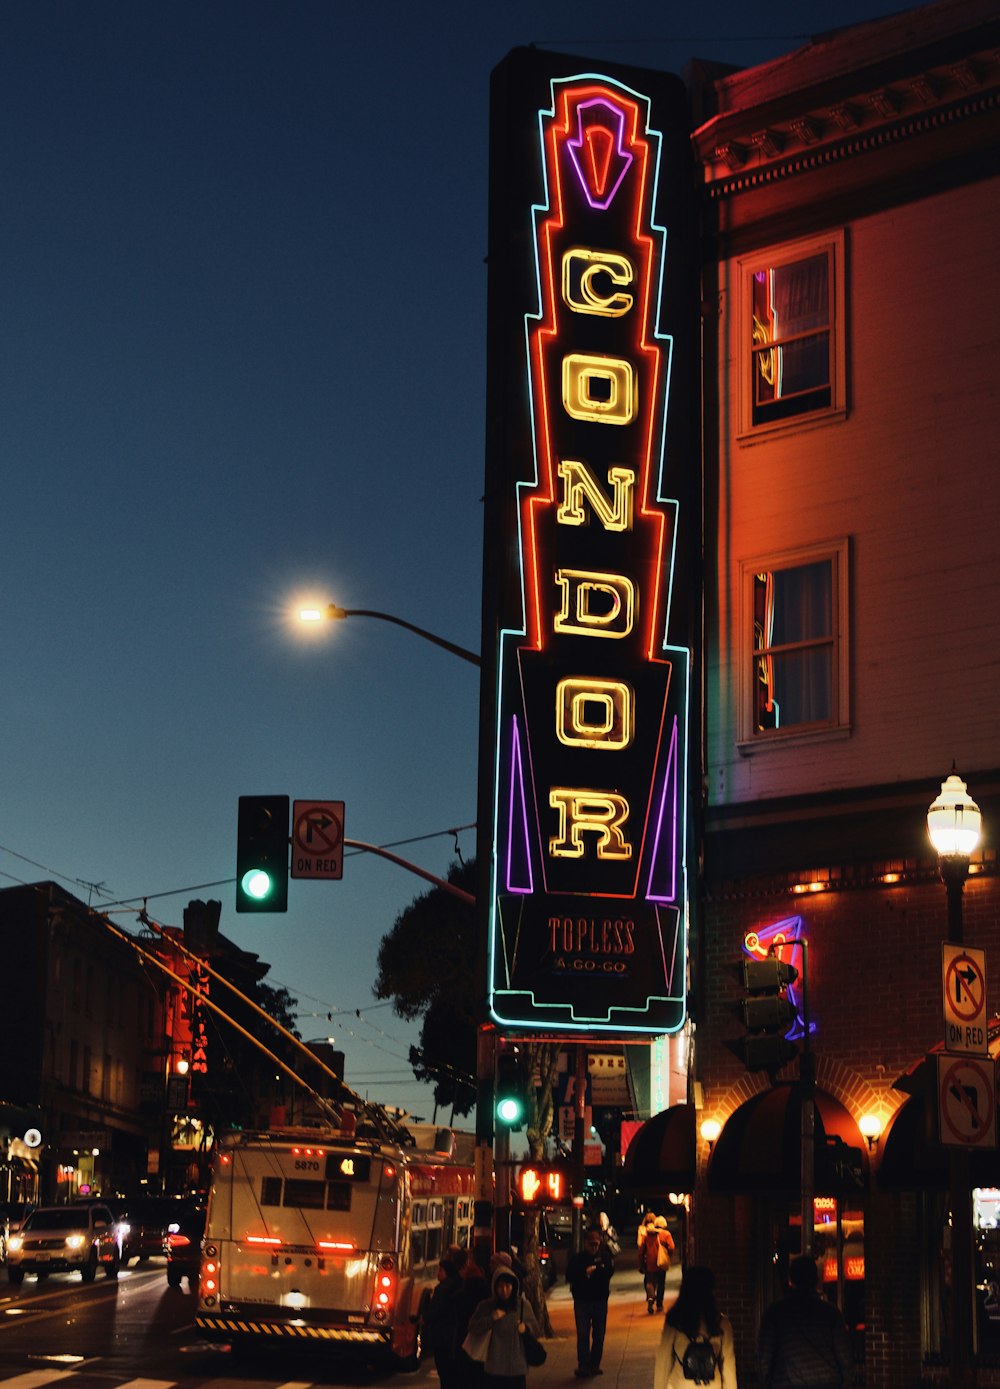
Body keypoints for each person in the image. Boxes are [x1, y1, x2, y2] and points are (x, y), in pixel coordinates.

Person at [758, 1255, 852, 1389]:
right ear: (816, 1280)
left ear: (791, 1279)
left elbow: (764, 1361)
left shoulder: (774, 1314)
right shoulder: (831, 1314)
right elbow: (845, 1358)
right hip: (827, 1382)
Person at [654, 1264, 737, 1389]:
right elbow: (728, 1367)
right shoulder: (721, 1323)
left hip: (680, 1384)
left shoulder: (675, 1320)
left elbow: (663, 1362)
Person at [466, 1265, 543, 1389]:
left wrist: (526, 1328)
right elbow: (473, 1326)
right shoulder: (486, 1306)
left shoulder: (522, 1305)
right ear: (494, 1287)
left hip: (516, 1367)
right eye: (500, 1286)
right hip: (494, 1367)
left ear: (514, 1286)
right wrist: (491, 1318)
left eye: (508, 1286)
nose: (504, 1290)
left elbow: (536, 1327)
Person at [566, 1226, 614, 1378]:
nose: (594, 1247)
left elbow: (609, 1273)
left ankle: (594, 1364)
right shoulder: (578, 1259)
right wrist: (584, 1273)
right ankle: (583, 1365)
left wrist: (598, 1270)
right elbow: (570, 1276)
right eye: (591, 1244)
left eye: (596, 1244)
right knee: (583, 1334)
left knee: (599, 1334)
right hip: (582, 1301)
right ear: (585, 1243)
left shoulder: (604, 1257)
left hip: (599, 1300)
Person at [421, 1254, 467, 1389]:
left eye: (440, 1271)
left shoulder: (442, 1290)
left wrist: (426, 1317)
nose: (438, 1273)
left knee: (444, 1371)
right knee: (452, 1373)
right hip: (453, 1337)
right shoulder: (458, 1286)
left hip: (441, 1337)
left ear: (446, 1272)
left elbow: (438, 1311)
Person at [642, 1215, 675, 1313]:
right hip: (661, 1263)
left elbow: (641, 1251)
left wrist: (641, 1263)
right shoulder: (666, 1234)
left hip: (650, 1262)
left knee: (650, 1282)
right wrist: (668, 1255)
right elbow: (672, 1247)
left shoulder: (647, 1235)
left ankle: (651, 1298)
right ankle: (659, 1304)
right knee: (661, 1283)